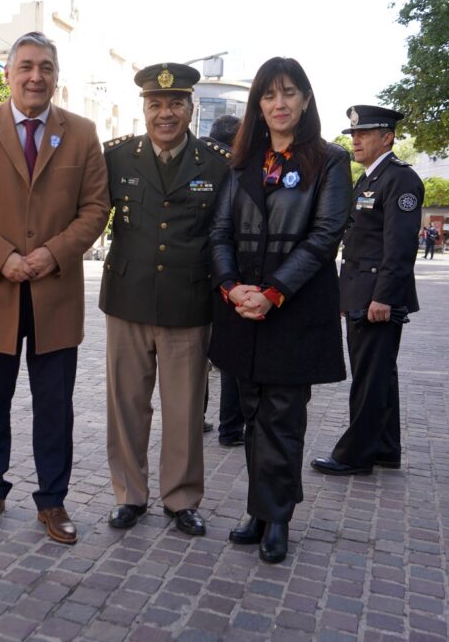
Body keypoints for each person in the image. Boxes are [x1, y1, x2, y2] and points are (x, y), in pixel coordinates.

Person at [0, 32, 109, 545]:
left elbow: (96, 208)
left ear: (56, 77)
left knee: (55, 407)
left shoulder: (82, 133)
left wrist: (53, 253)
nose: (36, 77)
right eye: (26, 67)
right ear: (8, 74)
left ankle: (53, 500)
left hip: (54, 293)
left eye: (46, 68)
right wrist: (3, 257)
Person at [209, 57, 351, 563]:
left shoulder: (329, 160)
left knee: (283, 415)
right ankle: (260, 508)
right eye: (269, 95)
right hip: (242, 308)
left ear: (306, 100)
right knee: (252, 411)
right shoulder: (242, 162)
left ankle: (277, 519)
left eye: (289, 92)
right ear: (258, 105)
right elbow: (220, 232)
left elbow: (325, 236)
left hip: (294, 307)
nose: (279, 103)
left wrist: (272, 292)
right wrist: (232, 287)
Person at [99, 63, 230, 536]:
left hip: (188, 304)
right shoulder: (117, 157)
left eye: (176, 104)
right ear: (144, 109)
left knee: (184, 410)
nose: (165, 113)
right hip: (127, 299)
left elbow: (224, 233)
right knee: (126, 407)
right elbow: (89, 214)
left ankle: (181, 498)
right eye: (155, 104)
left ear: (191, 109)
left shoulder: (217, 163)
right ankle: (129, 495)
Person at [311, 105, 423, 476]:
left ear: (387, 138)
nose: (355, 141)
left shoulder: (400, 179)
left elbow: (400, 246)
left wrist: (384, 297)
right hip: (361, 292)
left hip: (377, 296)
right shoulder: (369, 178)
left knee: (369, 378)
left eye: (364, 134)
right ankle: (385, 448)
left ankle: (354, 455)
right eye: (353, 135)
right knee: (380, 375)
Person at [202, 114, 246, 445]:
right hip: (227, 271)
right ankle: (230, 428)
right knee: (231, 350)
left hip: (190, 271)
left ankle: (194, 416)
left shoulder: (191, 157)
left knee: (194, 351)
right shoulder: (237, 165)